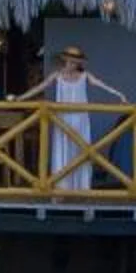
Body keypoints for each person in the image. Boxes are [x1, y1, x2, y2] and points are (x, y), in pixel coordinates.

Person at [26, 44, 121, 192]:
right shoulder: (57, 75)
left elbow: (102, 85)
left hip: (80, 118)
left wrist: (119, 95)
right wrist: (21, 98)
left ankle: (81, 187)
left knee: (80, 150)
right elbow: (39, 88)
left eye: (74, 62)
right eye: (69, 61)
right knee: (62, 148)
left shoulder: (85, 76)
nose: (71, 64)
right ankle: (61, 187)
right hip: (62, 118)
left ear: (79, 63)